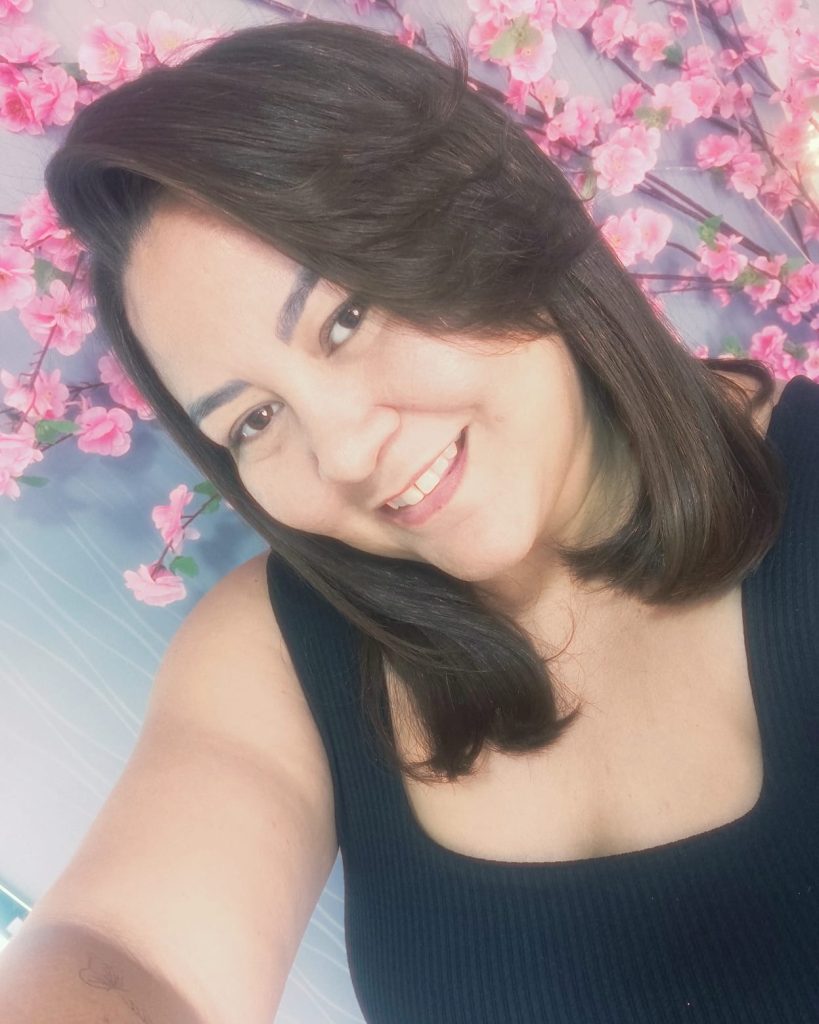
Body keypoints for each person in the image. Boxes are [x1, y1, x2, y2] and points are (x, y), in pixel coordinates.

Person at [1, 18, 817, 1024]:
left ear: (493, 211)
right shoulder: (275, 648)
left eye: (346, 318)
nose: (343, 453)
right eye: (254, 420)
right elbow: (124, 951)